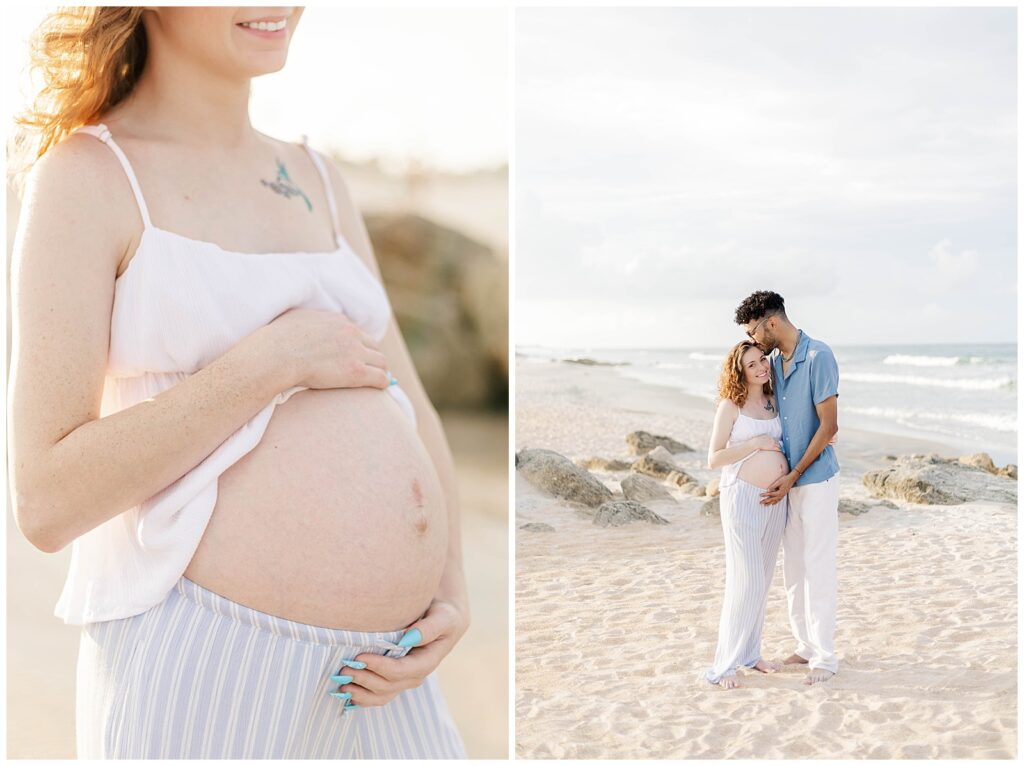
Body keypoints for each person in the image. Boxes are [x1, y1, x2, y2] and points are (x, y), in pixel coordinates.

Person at [9, 7, 469, 758]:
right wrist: (270, 363)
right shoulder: (88, 177)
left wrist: (451, 588)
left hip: (391, 672)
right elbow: (45, 499)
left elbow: (410, 402)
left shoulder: (320, 179)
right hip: (207, 661)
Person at [734, 290, 840, 686]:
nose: (753, 339)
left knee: (818, 565)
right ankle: (805, 644)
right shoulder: (773, 364)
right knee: (793, 568)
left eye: (753, 331)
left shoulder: (819, 357)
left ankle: (825, 656)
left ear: (771, 322)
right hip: (786, 485)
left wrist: (792, 476)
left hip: (815, 481)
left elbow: (829, 427)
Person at [704, 341, 789, 688]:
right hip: (743, 498)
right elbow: (714, 458)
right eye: (751, 364)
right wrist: (755, 445)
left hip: (776, 499)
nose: (760, 367)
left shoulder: (773, 400)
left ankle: (751, 654)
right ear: (739, 370)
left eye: (761, 360)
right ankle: (723, 665)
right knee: (745, 581)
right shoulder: (731, 405)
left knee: (763, 580)